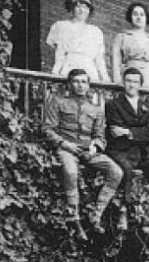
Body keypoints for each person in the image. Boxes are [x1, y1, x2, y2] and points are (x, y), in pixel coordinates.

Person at [43, 69, 123, 239]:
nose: (80, 85)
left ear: (88, 86)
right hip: (67, 148)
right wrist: (66, 145)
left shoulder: (96, 109)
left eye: (84, 82)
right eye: (76, 81)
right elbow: (48, 130)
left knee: (116, 172)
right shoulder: (57, 102)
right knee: (71, 171)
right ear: (69, 84)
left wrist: (96, 146)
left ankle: (96, 214)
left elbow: (100, 136)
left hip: (88, 150)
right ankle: (75, 216)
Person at [105, 67, 149, 233]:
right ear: (123, 82)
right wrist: (138, 131)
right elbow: (115, 130)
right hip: (120, 151)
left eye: (135, 81)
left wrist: (128, 131)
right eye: (129, 81)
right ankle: (124, 210)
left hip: (143, 153)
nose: (132, 84)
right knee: (126, 170)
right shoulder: (113, 105)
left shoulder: (147, 108)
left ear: (140, 84)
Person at [48, 0, 109, 83]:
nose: (82, 10)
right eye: (78, 7)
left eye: (85, 8)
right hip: (69, 66)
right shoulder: (61, 26)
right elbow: (59, 53)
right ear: (72, 9)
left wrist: (105, 77)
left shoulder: (96, 31)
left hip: (89, 69)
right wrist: (55, 72)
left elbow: (99, 58)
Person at [111, 2, 149, 89]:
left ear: (146, 18)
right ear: (130, 17)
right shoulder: (122, 36)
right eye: (135, 14)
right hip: (129, 76)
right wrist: (117, 78)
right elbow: (115, 61)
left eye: (142, 14)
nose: (139, 17)